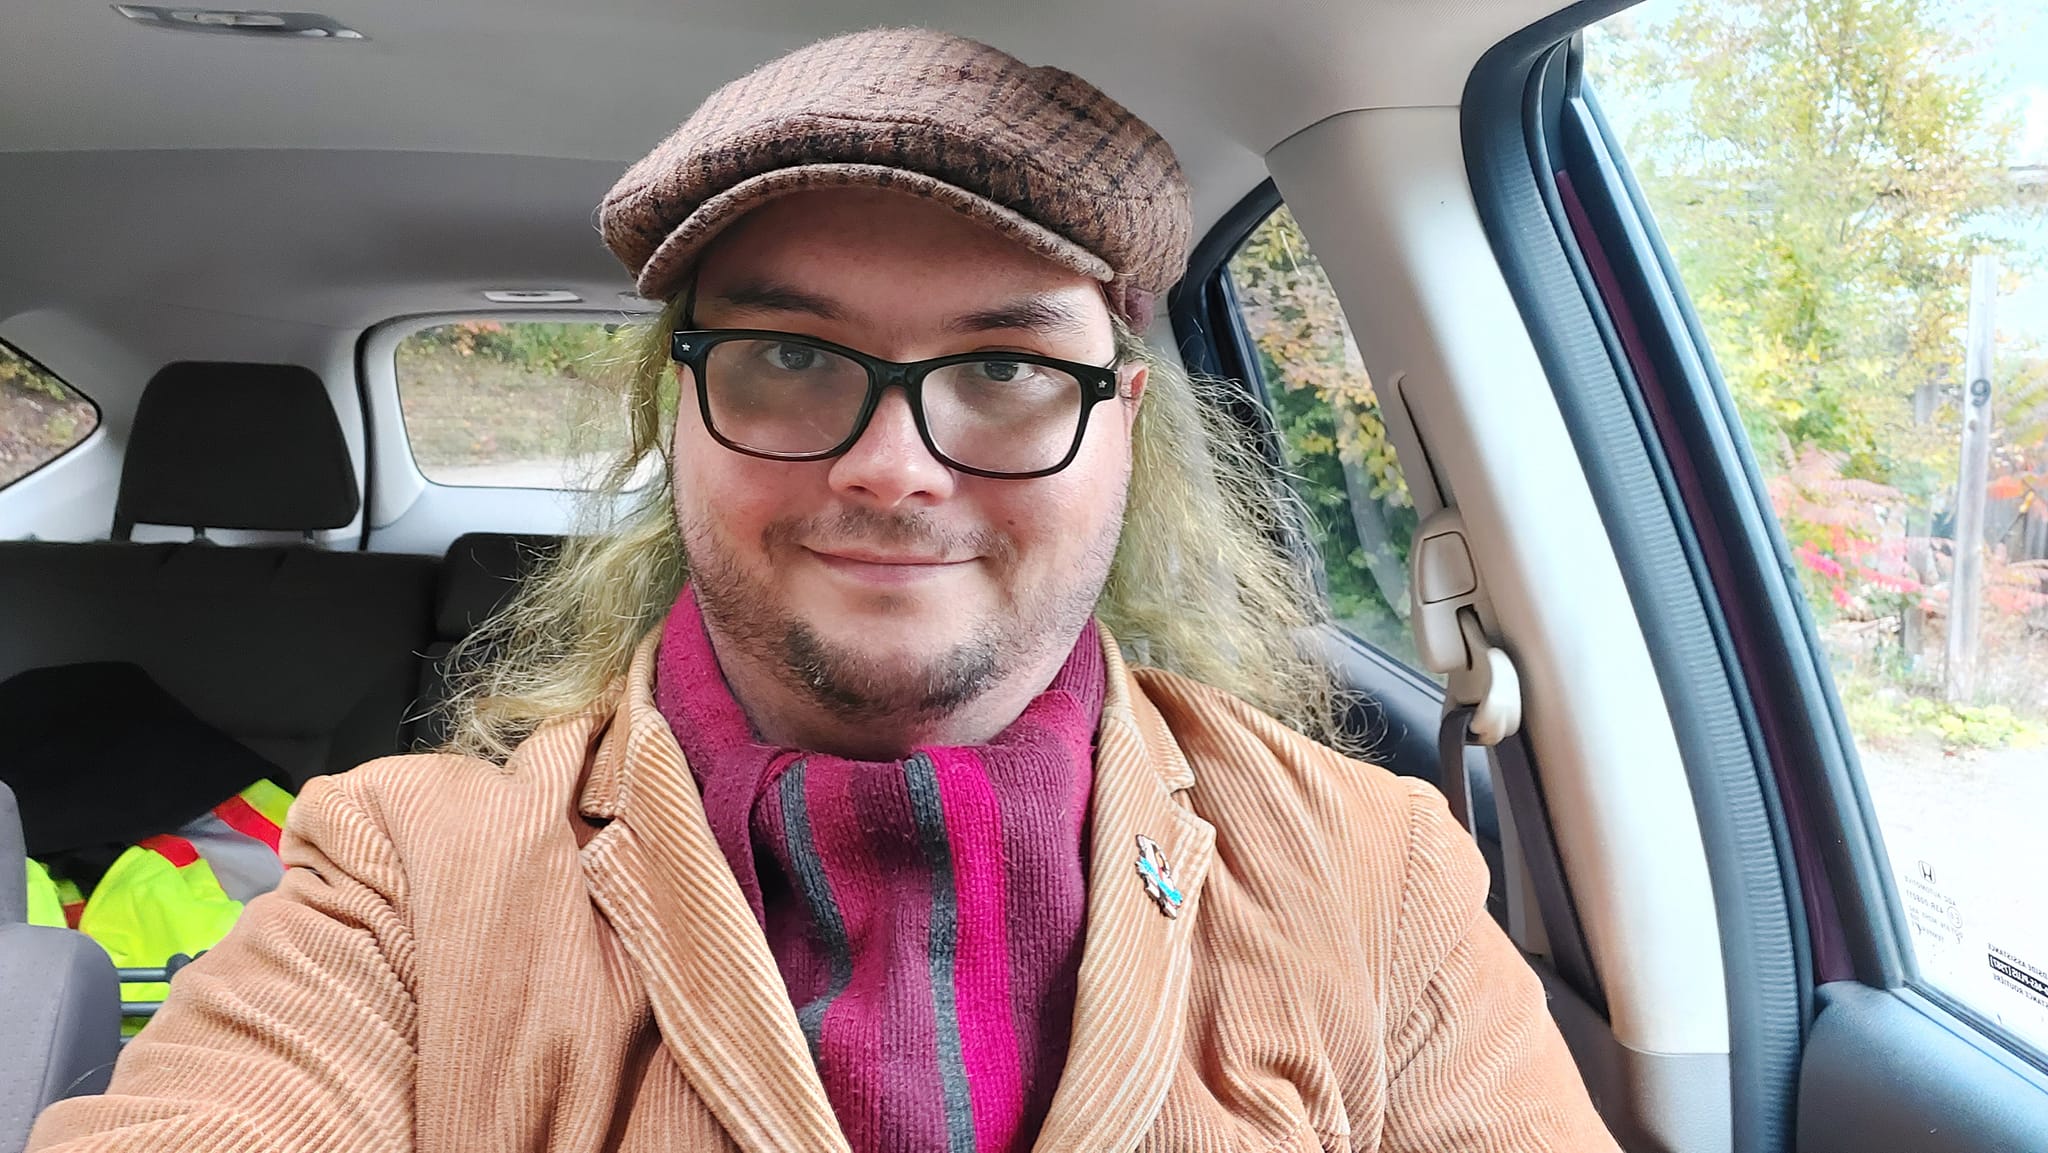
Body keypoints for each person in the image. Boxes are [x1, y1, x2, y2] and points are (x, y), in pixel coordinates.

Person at [29, 27, 1621, 1153]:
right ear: (682, 413)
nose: (891, 469)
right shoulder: (400, 881)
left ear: (1123, 428)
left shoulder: (1373, 875)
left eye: (1002, 364)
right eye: (793, 357)